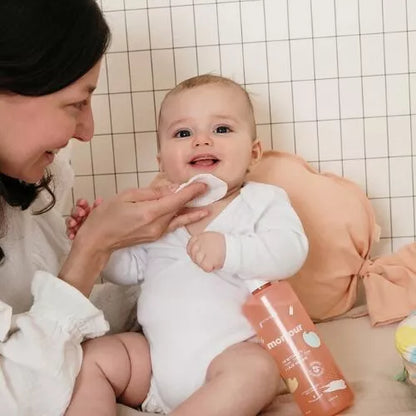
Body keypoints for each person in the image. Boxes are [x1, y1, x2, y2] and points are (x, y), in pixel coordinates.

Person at [0, 2, 208, 416]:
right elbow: (15, 396)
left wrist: (148, 253)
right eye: (77, 103)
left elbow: (74, 322)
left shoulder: (33, 185)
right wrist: (92, 249)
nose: (88, 131)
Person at [67, 74, 309, 416]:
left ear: (254, 152)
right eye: (183, 133)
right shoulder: (157, 211)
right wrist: (100, 242)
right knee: (92, 357)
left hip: (229, 357)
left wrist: (230, 250)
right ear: (162, 161)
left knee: (259, 369)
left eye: (222, 129)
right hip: (153, 367)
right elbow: (127, 270)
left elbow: (290, 250)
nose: (202, 141)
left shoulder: (262, 201)